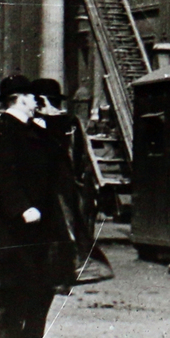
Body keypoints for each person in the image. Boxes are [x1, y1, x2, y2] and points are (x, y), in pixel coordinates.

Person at [0, 76, 74, 338]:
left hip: (37, 222)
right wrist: (21, 207)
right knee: (17, 282)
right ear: (20, 98)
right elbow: (2, 176)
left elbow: (57, 158)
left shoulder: (33, 128)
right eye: (34, 97)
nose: (38, 103)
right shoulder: (3, 130)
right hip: (11, 223)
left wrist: (51, 119)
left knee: (42, 282)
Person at [32, 78, 113, 285]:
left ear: (41, 101)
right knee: (70, 224)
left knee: (55, 227)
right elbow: (80, 154)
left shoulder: (39, 124)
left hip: (49, 182)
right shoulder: (72, 122)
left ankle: (60, 273)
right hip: (67, 180)